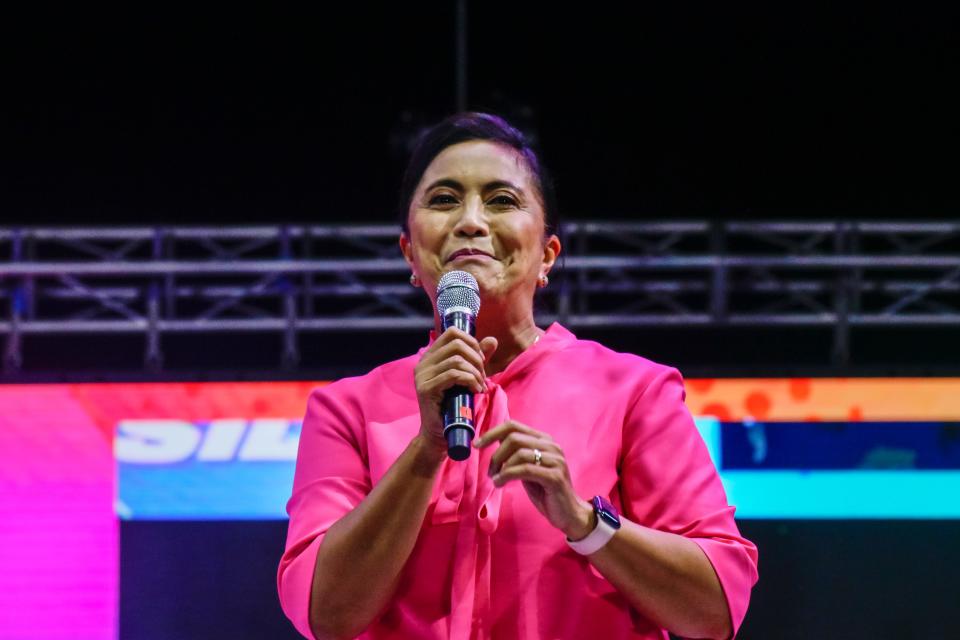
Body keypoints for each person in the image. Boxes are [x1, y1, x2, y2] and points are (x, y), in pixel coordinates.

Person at [277, 112, 758, 640]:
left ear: (547, 255)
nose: (471, 221)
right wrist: (425, 452)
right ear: (410, 254)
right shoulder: (346, 409)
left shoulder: (634, 391)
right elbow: (324, 613)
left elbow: (717, 607)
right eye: (443, 200)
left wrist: (584, 522)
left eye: (501, 200)